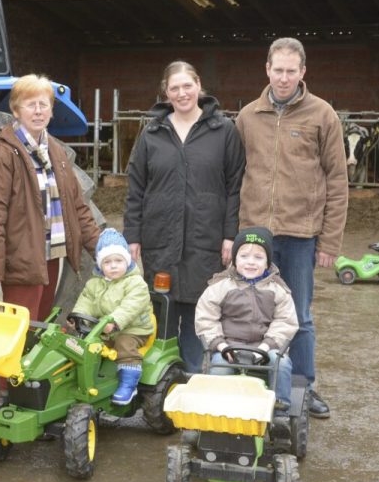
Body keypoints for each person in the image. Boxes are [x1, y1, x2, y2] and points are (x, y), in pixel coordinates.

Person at [235, 37, 348, 418]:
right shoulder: (249, 116)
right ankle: (257, 382)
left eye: (291, 71)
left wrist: (329, 239)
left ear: (303, 72)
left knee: (298, 315)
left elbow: (337, 179)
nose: (283, 78)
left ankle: (303, 386)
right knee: (250, 310)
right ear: (267, 69)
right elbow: (235, 176)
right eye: (277, 70)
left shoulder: (322, 115)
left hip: (300, 234)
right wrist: (232, 236)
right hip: (255, 238)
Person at [124, 60, 245, 374]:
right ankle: (162, 386)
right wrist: (132, 235)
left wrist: (230, 234)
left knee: (197, 314)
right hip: (158, 237)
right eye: (174, 88)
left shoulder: (223, 131)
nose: (182, 93)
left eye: (187, 86)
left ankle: (191, 379)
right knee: (161, 312)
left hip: (204, 238)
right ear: (166, 92)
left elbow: (235, 186)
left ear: (199, 85)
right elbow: (135, 187)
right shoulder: (151, 133)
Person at [0, 74, 99, 321]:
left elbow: (77, 207)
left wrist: (104, 250)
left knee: (41, 330)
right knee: (20, 330)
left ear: (52, 110)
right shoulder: (2, 152)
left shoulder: (56, 151)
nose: (38, 111)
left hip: (52, 257)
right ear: (16, 110)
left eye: (44, 104)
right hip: (22, 260)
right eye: (30, 104)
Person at [195, 226, 298, 436]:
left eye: (258, 257)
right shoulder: (220, 286)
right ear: (234, 259)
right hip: (229, 347)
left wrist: (266, 345)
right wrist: (220, 345)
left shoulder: (278, 289)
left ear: (268, 262)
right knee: (217, 367)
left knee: (282, 364)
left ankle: (279, 412)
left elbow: (286, 322)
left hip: (264, 347)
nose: (251, 262)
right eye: (244, 256)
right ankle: (214, 414)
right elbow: (206, 317)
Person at [69, 228, 154, 405]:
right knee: (81, 344)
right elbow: (86, 302)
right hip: (104, 328)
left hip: (134, 328)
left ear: (127, 261)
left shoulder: (136, 283)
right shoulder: (94, 283)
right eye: (107, 262)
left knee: (124, 344)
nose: (113, 265)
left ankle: (128, 384)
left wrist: (114, 322)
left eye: (118, 260)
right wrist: (78, 318)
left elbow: (129, 307)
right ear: (100, 265)